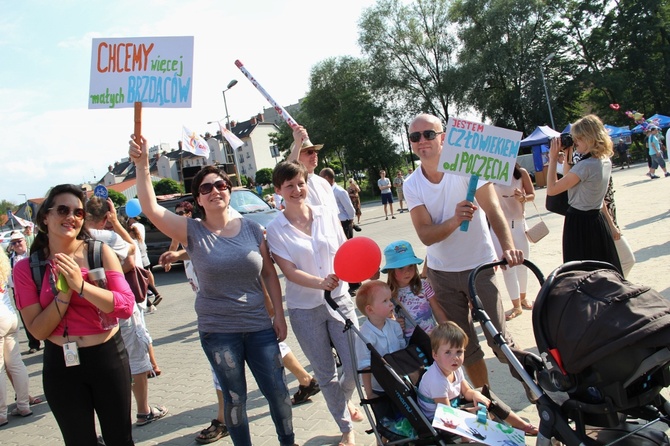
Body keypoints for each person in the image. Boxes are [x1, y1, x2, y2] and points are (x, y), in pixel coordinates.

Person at [129, 135, 295, 446]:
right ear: (199, 200)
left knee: (279, 394)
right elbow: (150, 208)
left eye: (220, 185)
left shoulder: (252, 228)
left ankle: (288, 441)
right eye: (206, 188)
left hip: (260, 327)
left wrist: (280, 316)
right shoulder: (191, 231)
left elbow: (270, 274)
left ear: (229, 191)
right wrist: (140, 165)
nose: (215, 190)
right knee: (234, 400)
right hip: (219, 332)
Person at [403, 113, 523, 388]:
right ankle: (487, 403)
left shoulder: (469, 167)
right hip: (441, 275)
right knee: (464, 349)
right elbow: (425, 235)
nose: (422, 141)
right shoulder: (411, 184)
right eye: (415, 136)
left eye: (429, 134)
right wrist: (456, 220)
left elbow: (493, 209)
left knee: (500, 341)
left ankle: (537, 392)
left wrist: (508, 247)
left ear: (443, 137)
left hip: (479, 268)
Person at [13, 184, 135, 445]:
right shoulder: (27, 267)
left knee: (120, 440)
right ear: (45, 216)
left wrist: (81, 285)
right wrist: (64, 294)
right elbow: (37, 331)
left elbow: (125, 306)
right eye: (63, 210)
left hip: (107, 357)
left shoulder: (98, 252)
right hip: (61, 364)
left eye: (78, 213)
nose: (72, 217)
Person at [266, 161, 362, 446]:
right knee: (325, 373)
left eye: (300, 183)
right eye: (289, 186)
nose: (297, 190)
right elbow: (290, 270)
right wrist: (320, 283)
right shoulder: (275, 228)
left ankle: (343, 402)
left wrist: (359, 269)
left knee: (356, 363)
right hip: (304, 309)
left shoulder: (326, 214)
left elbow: (345, 248)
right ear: (278, 191)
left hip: (340, 299)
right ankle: (346, 427)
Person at [85, 197, 167, 427]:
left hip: (90, 311)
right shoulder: (107, 237)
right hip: (120, 305)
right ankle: (143, 411)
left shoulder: (69, 240)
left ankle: (109, 421)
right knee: (135, 356)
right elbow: (131, 254)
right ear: (105, 217)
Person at [417, 322, 538, 435]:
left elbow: (466, 391)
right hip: (438, 419)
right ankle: (475, 439)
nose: (455, 358)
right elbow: (447, 415)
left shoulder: (454, 369)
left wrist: (475, 395)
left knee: (484, 393)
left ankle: (520, 425)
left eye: (459, 351)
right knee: (478, 413)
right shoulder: (437, 380)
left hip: (452, 407)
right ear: (435, 355)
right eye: (448, 352)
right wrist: (470, 412)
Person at [547, 114, 623, 274]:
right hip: (597, 221)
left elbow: (552, 189)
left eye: (578, 139)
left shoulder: (586, 166)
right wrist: (568, 153)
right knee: (604, 271)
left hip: (579, 223)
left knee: (582, 275)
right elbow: (599, 199)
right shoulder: (604, 161)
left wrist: (553, 160)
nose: (575, 142)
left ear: (589, 138)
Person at [490, 163, 535, 320]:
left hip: (519, 225)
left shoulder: (520, 173)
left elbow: (531, 194)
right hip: (499, 227)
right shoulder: (489, 176)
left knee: (523, 263)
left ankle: (523, 297)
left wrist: (523, 198)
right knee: (507, 267)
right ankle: (516, 305)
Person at [381, 240, 448, 340]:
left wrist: (448, 330)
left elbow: (437, 310)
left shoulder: (423, 285)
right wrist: (394, 324)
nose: (407, 271)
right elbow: (382, 321)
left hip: (432, 339)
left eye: (411, 266)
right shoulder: (387, 294)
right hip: (408, 346)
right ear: (391, 270)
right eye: (401, 267)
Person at [353, 280, 406, 399]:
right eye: (385, 301)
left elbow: (403, 349)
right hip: (380, 387)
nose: (391, 304)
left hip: (401, 378)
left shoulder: (394, 326)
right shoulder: (365, 336)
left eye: (390, 299)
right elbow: (364, 366)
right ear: (370, 310)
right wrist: (369, 393)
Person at [0, 249, 32, 427]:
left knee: (1, 368)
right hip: (10, 317)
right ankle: (23, 405)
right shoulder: (3, 266)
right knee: (15, 363)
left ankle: (1, 413)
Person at [7, 232, 41, 354]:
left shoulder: (34, 254)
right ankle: (33, 343)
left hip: (36, 288)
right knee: (26, 318)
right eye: (14, 243)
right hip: (18, 291)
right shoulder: (10, 258)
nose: (17, 245)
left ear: (25, 241)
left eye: (19, 241)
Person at [127, 216, 162, 306]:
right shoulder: (140, 235)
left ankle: (150, 300)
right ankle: (153, 293)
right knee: (147, 276)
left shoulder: (132, 241)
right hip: (145, 260)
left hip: (139, 263)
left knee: (140, 283)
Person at [319, 168, 356, 239]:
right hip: (333, 224)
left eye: (321, 178)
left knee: (346, 247)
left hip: (344, 223)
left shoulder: (339, 191)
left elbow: (349, 208)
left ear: (326, 178)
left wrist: (350, 221)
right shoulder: (325, 191)